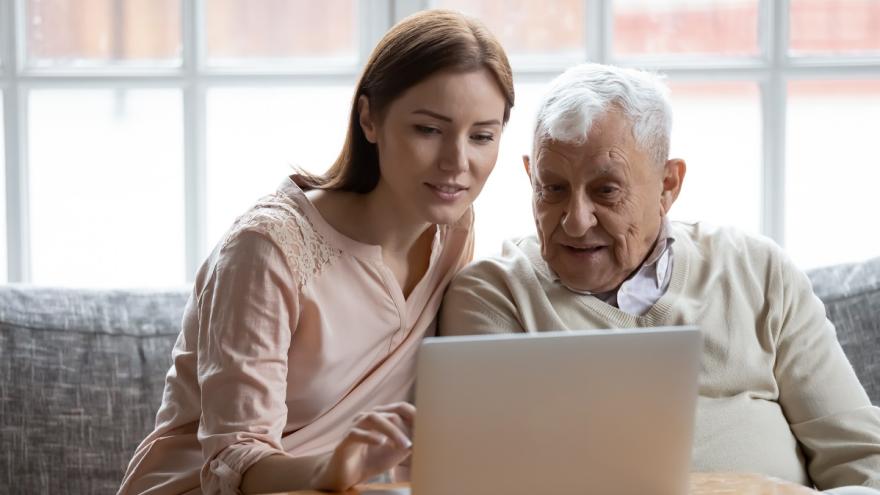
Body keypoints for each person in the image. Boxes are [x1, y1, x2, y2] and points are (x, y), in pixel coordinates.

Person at [117, 9, 513, 495]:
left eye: (481, 136)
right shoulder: (265, 251)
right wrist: (332, 467)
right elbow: (232, 461)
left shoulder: (451, 230)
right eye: (428, 130)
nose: (457, 163)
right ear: (370, 118)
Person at [438, 62, 880, 492]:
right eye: (553, 188)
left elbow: (862, 460)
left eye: (606, 190)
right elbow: (492, 482)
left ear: (668, 185)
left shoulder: (758, 270)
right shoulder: (493, 297)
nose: (575, 220)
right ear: (530, 176)